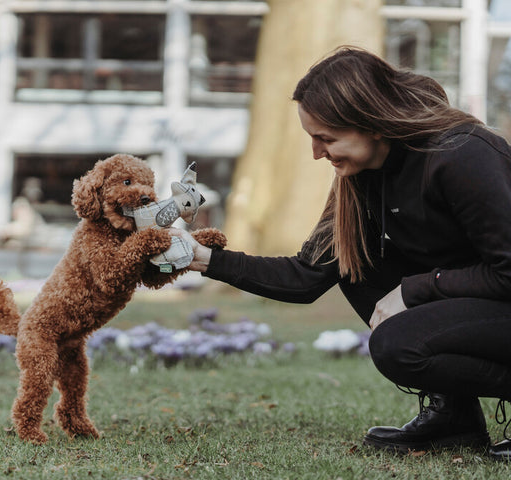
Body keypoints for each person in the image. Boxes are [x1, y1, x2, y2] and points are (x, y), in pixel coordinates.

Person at [170, 46, 511, 459]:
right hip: (482, 300)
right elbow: (308, 276)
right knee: (356, 264)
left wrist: (416, 289)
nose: (316, 153)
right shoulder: (363, 177)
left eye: (326, 138)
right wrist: (201, 258)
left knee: (398, 344)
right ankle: (454, 417)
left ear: (371, 123)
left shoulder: (462, 154)